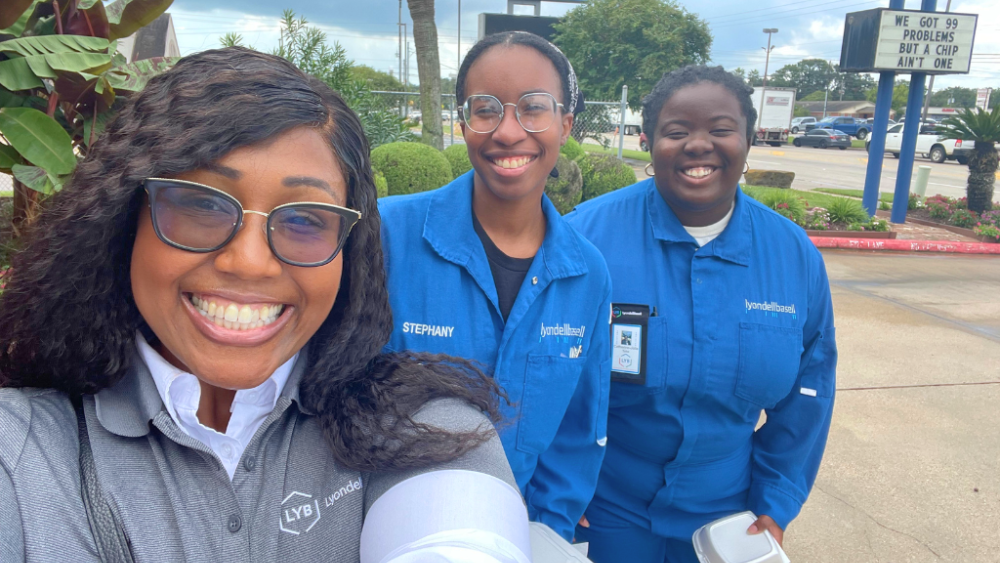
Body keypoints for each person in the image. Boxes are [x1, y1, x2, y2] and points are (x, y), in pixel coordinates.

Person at [0, 48, 533, 563]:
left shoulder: (423, 432)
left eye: (305, 220)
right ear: (124, 220)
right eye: (201, 204)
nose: (250, 263)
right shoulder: (22, 449)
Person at [566, 65, 838, 562]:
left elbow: (808, 393)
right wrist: (557, 482)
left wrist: (776, 504)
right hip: (602, 509)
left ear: (748, 139)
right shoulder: (586, 238)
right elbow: (540, 367)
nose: (698, 145)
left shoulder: (792, 255)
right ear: (649, 141)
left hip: (731, 521)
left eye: (720, 129)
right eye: (676, 131)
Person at [378, 31, 612, 541]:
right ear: (463, 123)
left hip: (516, 535)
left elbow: (577, 431)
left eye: (534, 108)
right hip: (388, 533)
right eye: (486, 109)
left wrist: (548, 530)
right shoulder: (387, 236)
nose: (508, 131)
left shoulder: (586, 273)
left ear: (565, 124)